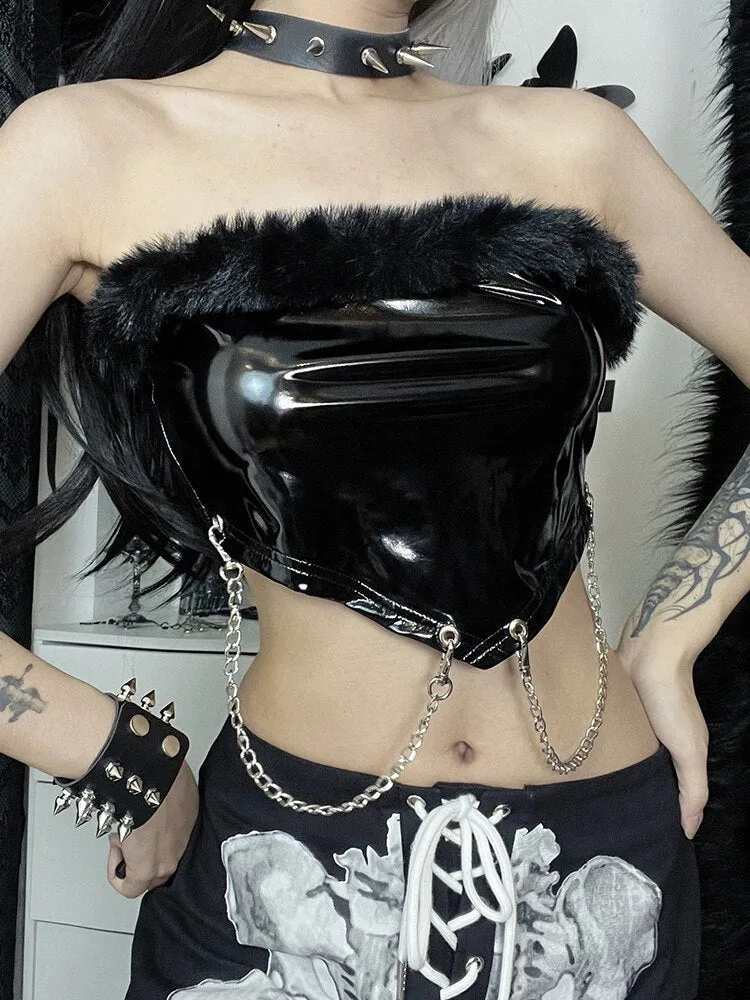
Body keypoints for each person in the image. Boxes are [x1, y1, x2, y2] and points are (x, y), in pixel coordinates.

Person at [2, 0, 749, 996]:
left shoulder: (573, 142)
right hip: (299, 879)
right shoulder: (88, 144)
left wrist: (676, 632)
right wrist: (105, 747)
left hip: (602, 875)